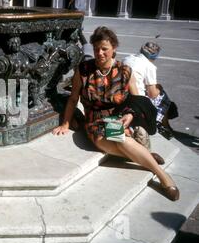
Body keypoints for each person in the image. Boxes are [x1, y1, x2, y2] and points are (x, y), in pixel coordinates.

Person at [52, 26, 179, 201]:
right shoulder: (83, 70)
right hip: (95, 122)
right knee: (122, 140)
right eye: (96, 49)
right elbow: (73, 99)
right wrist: (65, 123)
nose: (100, 53)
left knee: (121, 139)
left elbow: (138, 100)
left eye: (104, 48)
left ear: (114, 49)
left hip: (119, 119)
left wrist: (131, 116)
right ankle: (148, 158)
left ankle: (162, 176)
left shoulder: (124, 71)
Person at [123, 42, 177, 139]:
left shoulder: (128, 58)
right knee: (163, 96)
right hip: (137, 98)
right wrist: (159, 87)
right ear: (154, 56)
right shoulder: (149, 66)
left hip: (125, 94)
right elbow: (152, 94)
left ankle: (163, 124)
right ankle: (163, 124)